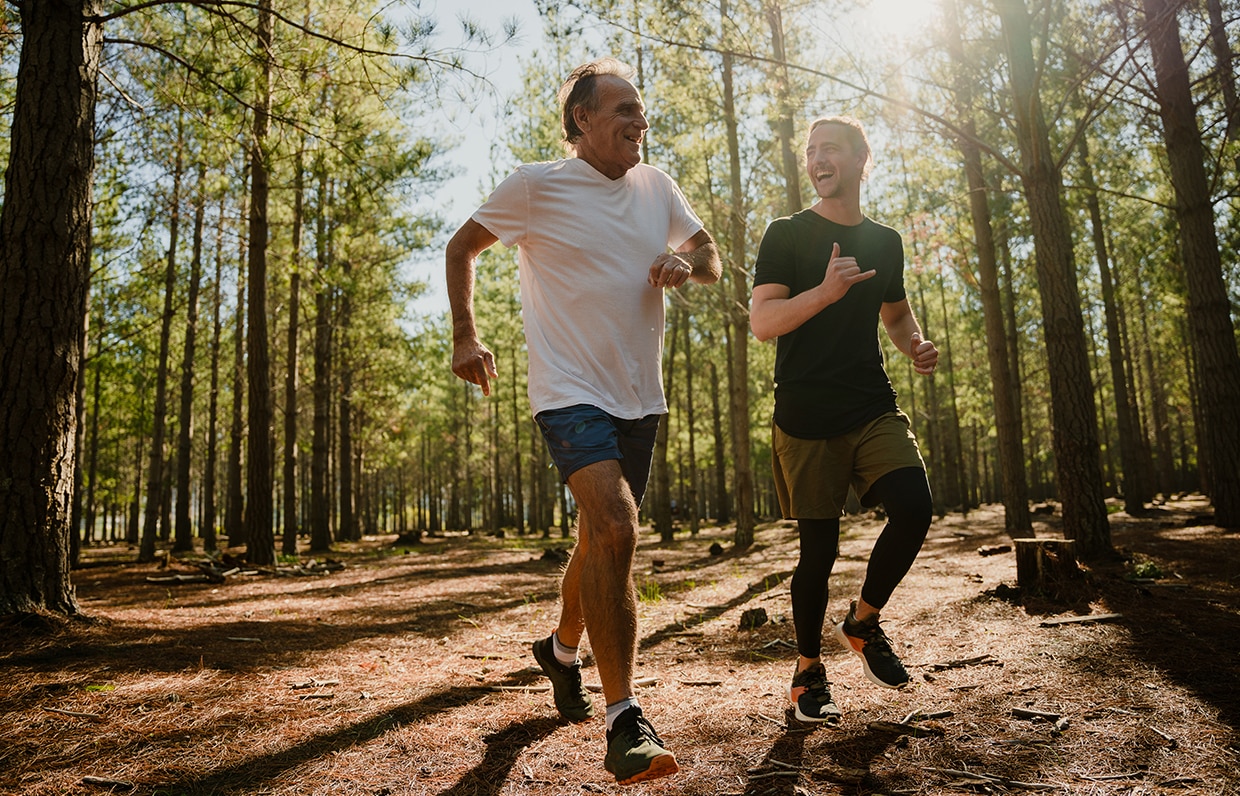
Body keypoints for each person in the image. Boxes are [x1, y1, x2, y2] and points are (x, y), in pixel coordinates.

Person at [445, 58, 720, 784]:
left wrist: (685, 265)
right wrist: (465, 334)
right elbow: (462, 246)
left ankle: (561, 649)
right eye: (624, 110)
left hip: (641, 396)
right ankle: (624, 718)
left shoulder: (657, 186)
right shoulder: (537, 186)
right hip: (568, 392)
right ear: (582, 122)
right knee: (619, 529)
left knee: (597, 539)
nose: (640, 121)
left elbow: (711, 255)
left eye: (642, 109)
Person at [749, 116, 938, 724]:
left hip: (870, 403)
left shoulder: (885, 242)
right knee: (818, 553)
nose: (817, 159)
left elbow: (897, 313)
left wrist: (914, 344)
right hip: (805, 415)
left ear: (862, 159)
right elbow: (764, 322)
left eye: (830, 149)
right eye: (811, 152)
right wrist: (824, 294)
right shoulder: (787, 234)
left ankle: (862, 620)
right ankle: (808, 675)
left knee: (915, 506)